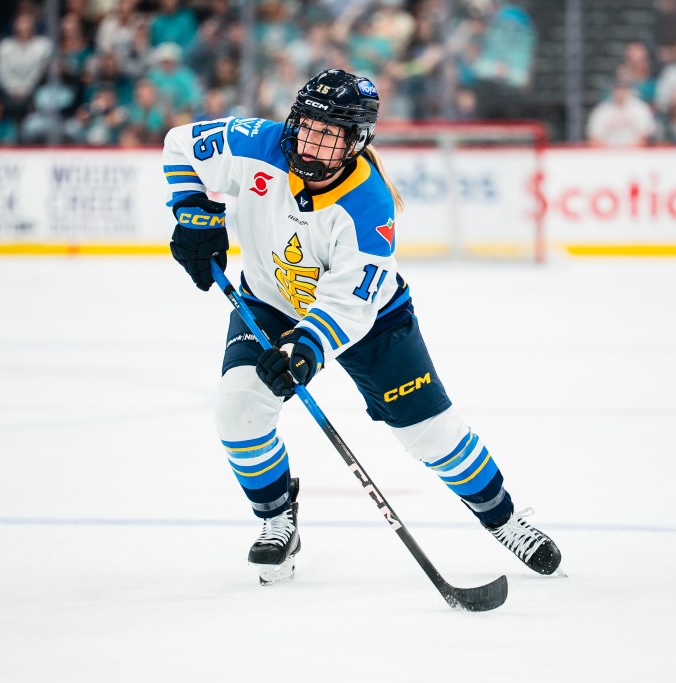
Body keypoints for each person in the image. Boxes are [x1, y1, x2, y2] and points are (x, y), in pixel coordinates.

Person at [162, 69, 562, 586]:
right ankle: (278, 519)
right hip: (270, 301)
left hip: (371, 319)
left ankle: (504, 520)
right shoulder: (256, 144)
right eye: (307, 126)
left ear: (355, 141)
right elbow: (181, 145)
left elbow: (351, 303)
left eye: (328, 134)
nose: (310, 142)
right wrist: (196, 216)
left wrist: (307, 347)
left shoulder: (368, 204)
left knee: (432, 435)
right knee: (238, 410)